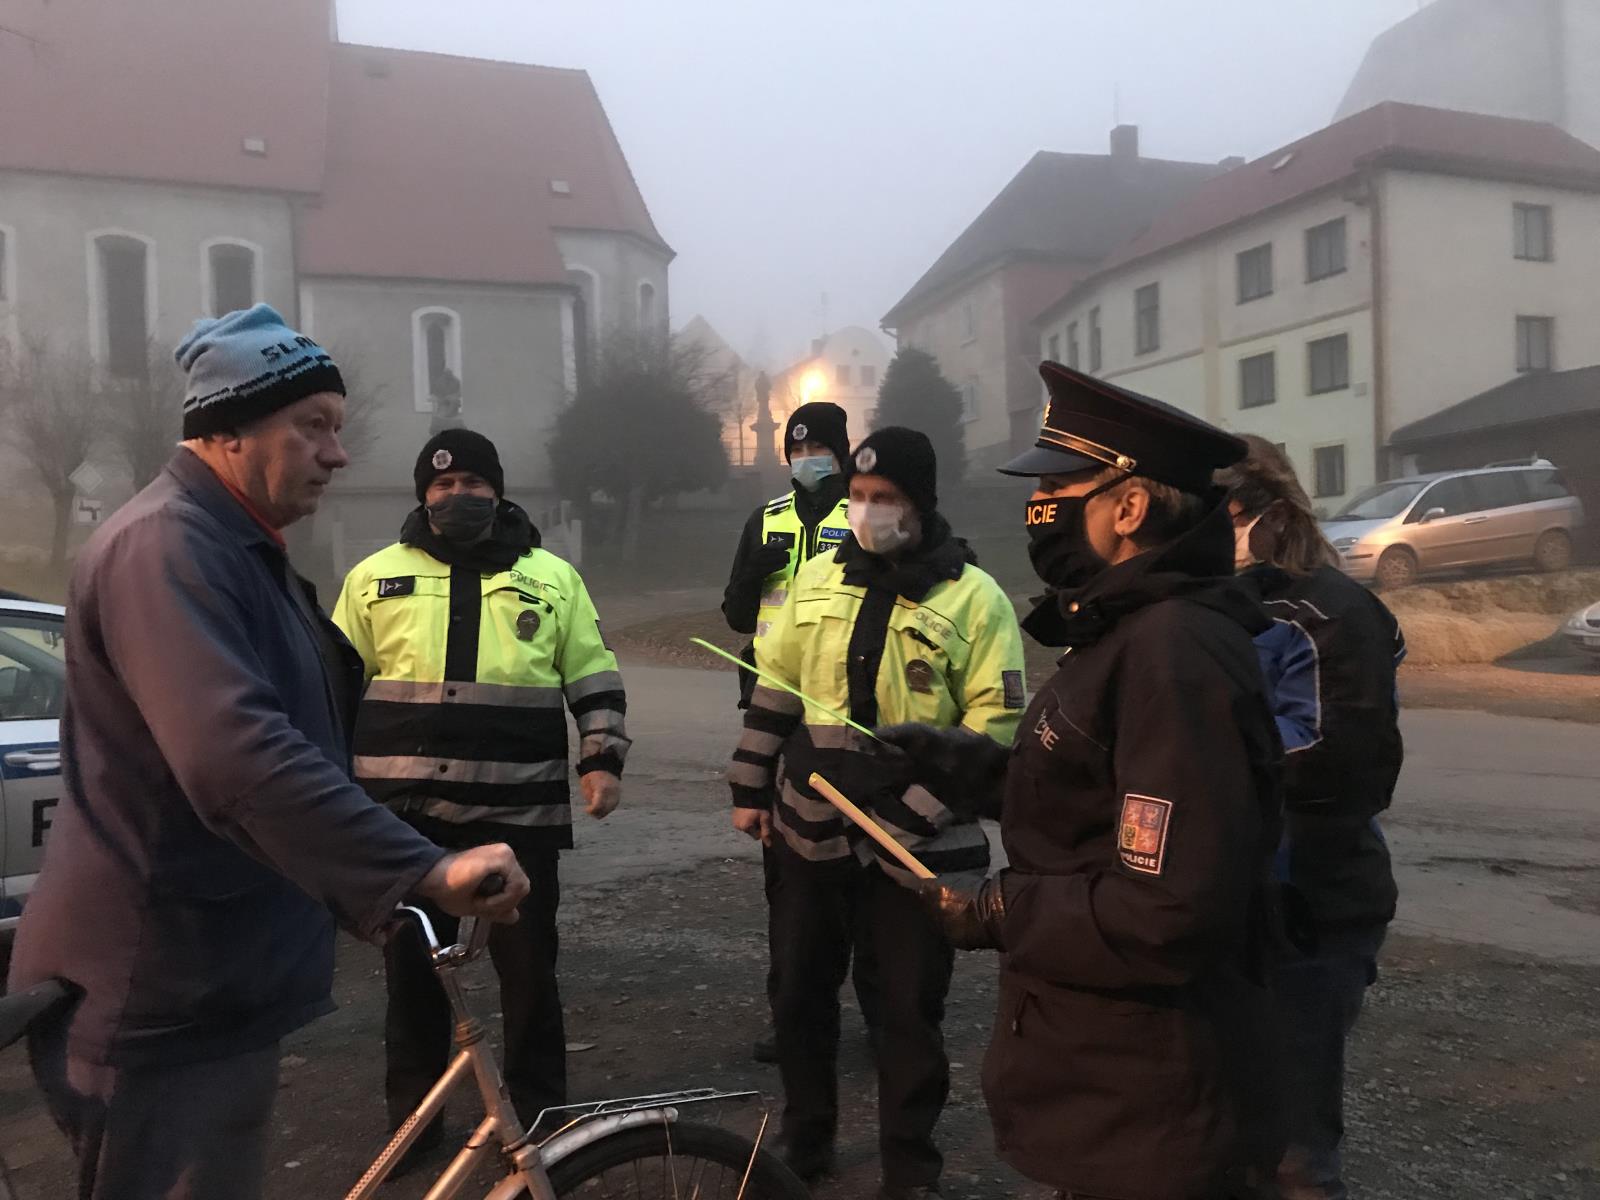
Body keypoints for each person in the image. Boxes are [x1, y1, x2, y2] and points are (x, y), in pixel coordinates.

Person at [8, 304, 527, 1200]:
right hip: (158, 993)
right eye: (312, 425)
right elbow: (236, 757)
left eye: (338, 426)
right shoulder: (167, 549)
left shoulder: (237, 548)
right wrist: (420, 871)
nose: (338, 453)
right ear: (228, 432)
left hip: (208, 982)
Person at [890, 362, 1285, 1200]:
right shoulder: (1126, 630)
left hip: (1151, 1100)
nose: (1040, 507)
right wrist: (978, 774)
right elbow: (1099, 793)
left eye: (1060, 486)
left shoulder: (1172, 650)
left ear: (1130, 505)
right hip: (1109, 1081)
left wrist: (999, 910)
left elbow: (1169, 904)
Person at [727, 427, 1027, 1200]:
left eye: (884, 498)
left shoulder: (975, 597)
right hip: (810, 829)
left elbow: (995, 724)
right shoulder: (818, 580)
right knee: (798, 994)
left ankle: (910, 1169)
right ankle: (808, 1140)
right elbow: (776, 690)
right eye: (859, 498)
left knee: (905, 1014)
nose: (867, 511)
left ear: (920, 504)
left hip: (920, 846)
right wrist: (749, 786)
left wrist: (916, 809)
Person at [334, 428, 629, 1153]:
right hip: (405, 823)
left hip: (517, 815)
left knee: (529, 978)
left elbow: (593, 675)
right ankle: (416, 1132)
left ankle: (540, 1123)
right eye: (443, 485)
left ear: (497, 493)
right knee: (412, 982)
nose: (458, 496)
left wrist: (602, 759)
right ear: (423, 495)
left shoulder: (552, 578)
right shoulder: (373, 577)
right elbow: (333, 686)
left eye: (472, 484)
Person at [1220, 435, 1404, 1200]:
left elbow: (1342, 764)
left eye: (1215, 517)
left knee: (1294, 1143)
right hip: (1236, 903)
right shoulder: (1224, 608)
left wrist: (1200, 770)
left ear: (1258, 513)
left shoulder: (1326, 613)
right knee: (1230, 1124)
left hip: (1310, 909)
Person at [721, 402, 876, 1064]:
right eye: (798, 445)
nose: (808, 454)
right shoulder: (767, 520)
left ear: (843, 450)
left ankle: (878, 1017)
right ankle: (793, 1016)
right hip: (778, 710)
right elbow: (735, 612)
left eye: (820, 444)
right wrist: (756, 574)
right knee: (787, 877)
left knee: (867, 869)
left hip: (852, 709)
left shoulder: (864, 515)